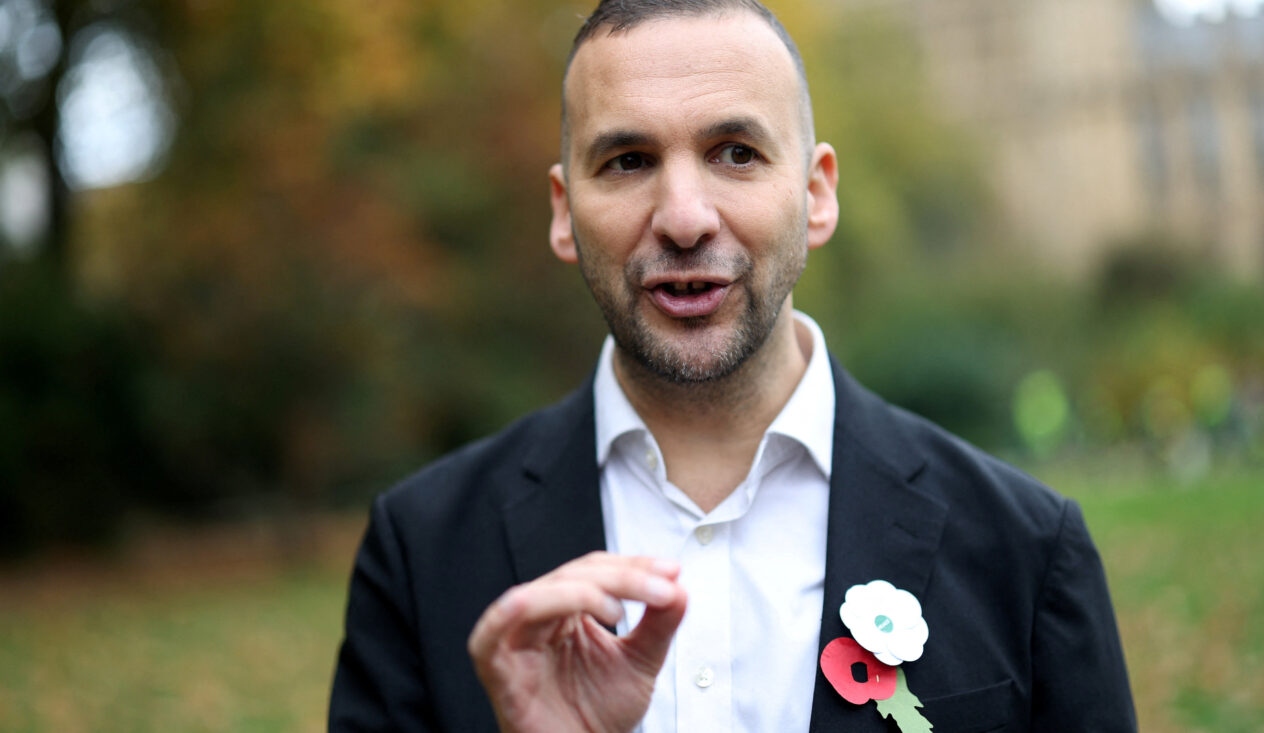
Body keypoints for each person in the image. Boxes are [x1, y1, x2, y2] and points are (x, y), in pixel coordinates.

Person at [328, 1, 1136, 731]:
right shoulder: (422, 555)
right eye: (628, 161)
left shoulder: (1027, 553)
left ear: (816, 194)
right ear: (563, 211)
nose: (683, 218)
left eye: (736, 153)